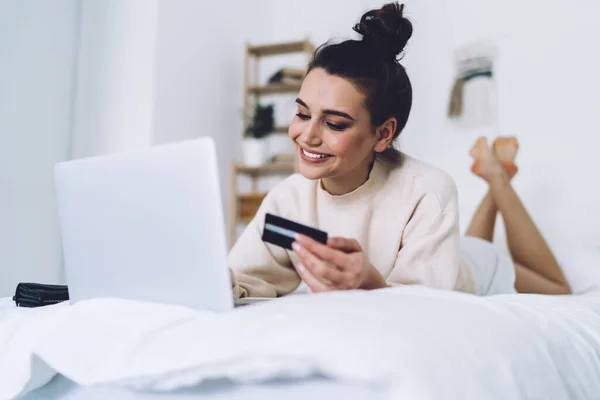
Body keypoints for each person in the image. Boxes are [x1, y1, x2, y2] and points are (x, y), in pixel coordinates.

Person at [228, 2, 483, 299]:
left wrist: (371, 283)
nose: (307, 136)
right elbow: (244, 284)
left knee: (542, 279)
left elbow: (426, 307)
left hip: (472, 269)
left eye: (334, 124)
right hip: (447, 242)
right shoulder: (288, 200)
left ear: (383, 134)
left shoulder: (428, 192)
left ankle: (497, 181)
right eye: (302, 114)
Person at [464, 136, 571, 295]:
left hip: (453, 265)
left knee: (472, 260)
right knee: (561, 293)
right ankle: (498, 174)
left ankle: (497, 174)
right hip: (450, 256)